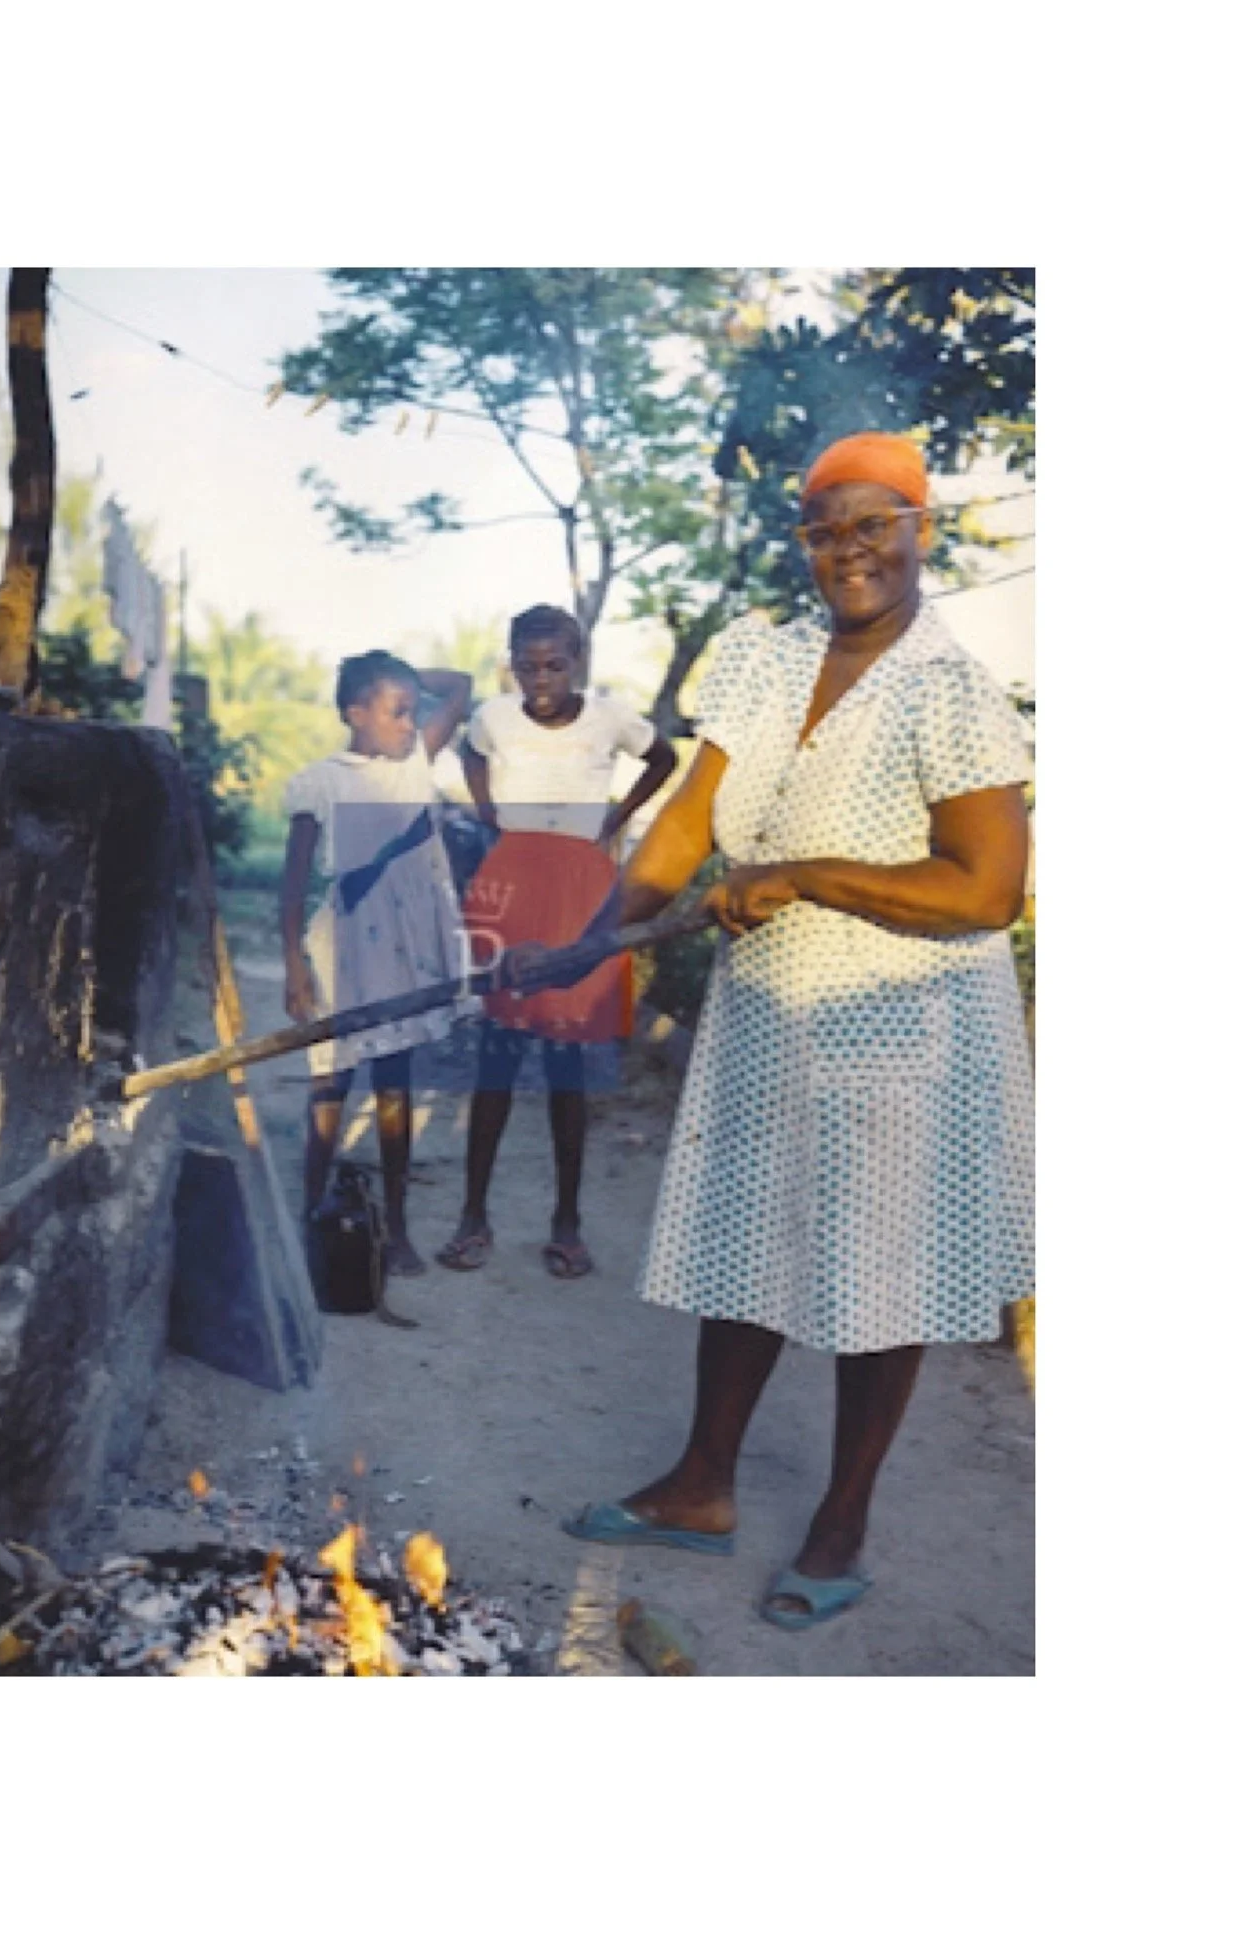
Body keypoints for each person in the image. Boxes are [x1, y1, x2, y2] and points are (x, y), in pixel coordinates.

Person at [536, 432, 1033, 1628]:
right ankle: (701, 1486)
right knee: (746, 1238)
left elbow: (984, 892)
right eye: (826, 529)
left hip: (905, 1022)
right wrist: (599, 934)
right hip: (769, 1014)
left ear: (922, 531)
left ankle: (841, 1517)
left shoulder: (950, 687)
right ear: (803, 543)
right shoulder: (760, 659)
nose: (850, 550)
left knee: (890, 1270)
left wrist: (805, 872)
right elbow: (686, 820)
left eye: (876, 524)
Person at [436, 605, 676, 1278]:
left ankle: (567, 1224)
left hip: (581, 891)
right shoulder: (493, 717)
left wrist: (618, 817)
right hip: (511, 879)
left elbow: (664, 756)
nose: (540, 679)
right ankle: (472, 1215)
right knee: (498, 1060)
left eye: (554, 665)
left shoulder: (609, 717)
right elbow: (468, 751)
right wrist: (487, 813)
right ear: (510, 663)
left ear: (577, 662)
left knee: (569, 1065)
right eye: (526, 665)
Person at [281, 651, 474, 1276]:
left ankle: (395, 1227)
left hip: (402, 949)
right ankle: (310, 1214)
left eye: (413, 711)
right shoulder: (321, 780)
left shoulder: (418, 762)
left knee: (394, 1082)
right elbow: (295, 882)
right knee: (330, 1085)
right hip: (343, 944)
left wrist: (398, 672)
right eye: (394, 712)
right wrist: (293, 965)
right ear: (354, 713)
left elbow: (461, 684)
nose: (409, 724)